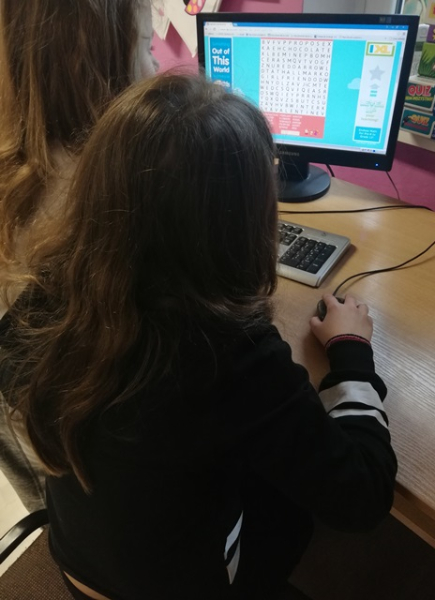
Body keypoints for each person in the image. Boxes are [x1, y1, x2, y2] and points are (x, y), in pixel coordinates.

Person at [0, 73, 397, 600]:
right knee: (296, 506)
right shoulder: (228, 355)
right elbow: (363, 498)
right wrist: (352, 354)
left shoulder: (43, 295)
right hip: (185, 585)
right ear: (246, 218)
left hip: (76, 563)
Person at [0, 0, 159, 512]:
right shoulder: (110, 198)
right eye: (147, 48)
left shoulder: (18, 164)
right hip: (106, 479)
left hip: (42, 467)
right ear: (90, 59)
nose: (157, 69)